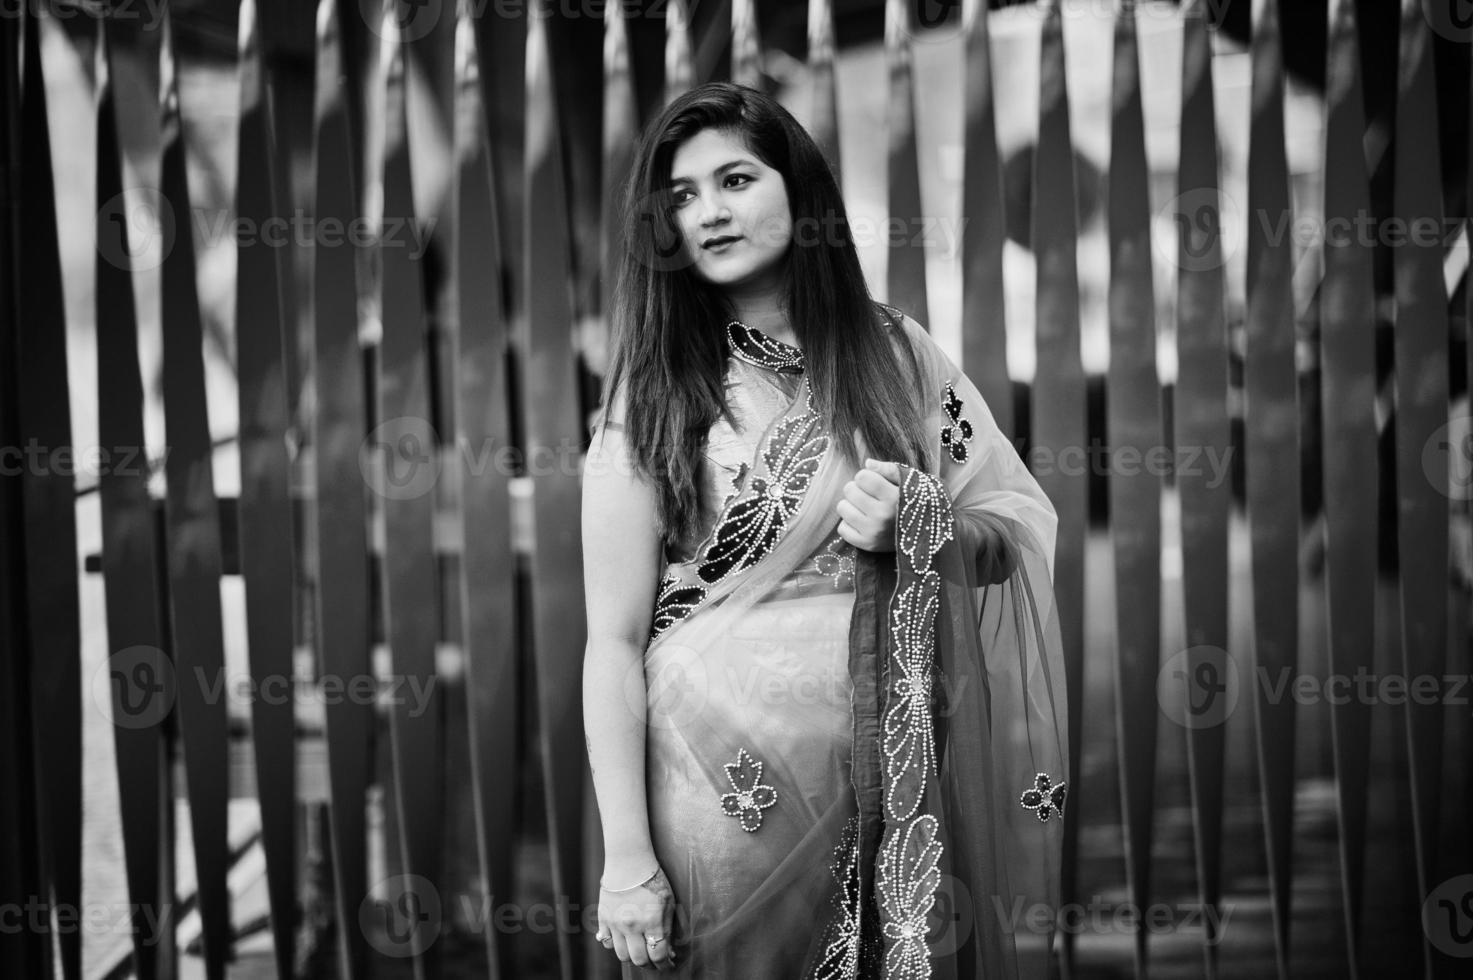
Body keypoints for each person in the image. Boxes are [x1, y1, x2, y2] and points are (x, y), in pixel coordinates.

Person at [581, 81, 1067, 979]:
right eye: (680, 197)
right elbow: (611, 644)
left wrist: (922, 524)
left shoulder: (897, 356)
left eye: (735, 180)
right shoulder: (651, 398)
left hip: (895, 771)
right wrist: (625, 859)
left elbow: (1014, 524)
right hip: (719, 793)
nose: (709, 213)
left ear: (799, 195)